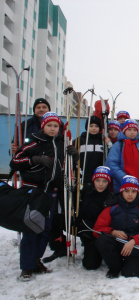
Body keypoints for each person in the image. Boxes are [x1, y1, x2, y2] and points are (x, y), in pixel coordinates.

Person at [9, 112, 79, 281]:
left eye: (56, 126)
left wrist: (74, 157)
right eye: (50, 125)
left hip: (52, 192)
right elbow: (15, 162)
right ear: (43, 126)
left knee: (45, 228)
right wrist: (35, 159)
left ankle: (36, 260)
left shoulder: (62, 144)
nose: (53, 129)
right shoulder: (33, 142)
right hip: (33, 191)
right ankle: (26, 267)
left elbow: (67, 167)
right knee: (31, 228)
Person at [93, 175, 139, 278]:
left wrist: (134, 241)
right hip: (116, 245)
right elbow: (97, 230)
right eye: (126, 191)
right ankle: (115, 267)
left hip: (133, 247)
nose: (130, 195)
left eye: (133, 191)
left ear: (137, 192)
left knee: (131, 274)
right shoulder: (112, 207)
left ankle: (138, 261)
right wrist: (112, 232)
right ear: (121, 191)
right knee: (102, 240)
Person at [77, 166, 117, 270]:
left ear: (108, 182)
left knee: (94, 262)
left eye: (104, 181)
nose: (100, 184)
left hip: (100, 234)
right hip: (87, 232)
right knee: (90, 265)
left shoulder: (110, 198)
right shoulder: (86, 192)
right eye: (98, 180)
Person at [106, 119, 139, 193]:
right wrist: (125, 179)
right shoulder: (118, 145)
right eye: (129, 129)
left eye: (134, 130)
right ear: (124, 130)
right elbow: (112, 165)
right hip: (122, 187)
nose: (132, 132)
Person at [74, 116, 108, 187]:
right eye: (91, 126)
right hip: (83, 175)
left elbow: (109, 154)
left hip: (99, 176)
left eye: (96, 126)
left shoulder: (102, 140)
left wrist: (109, 143)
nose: (94, 128)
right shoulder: (80, 140)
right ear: (87, 127)